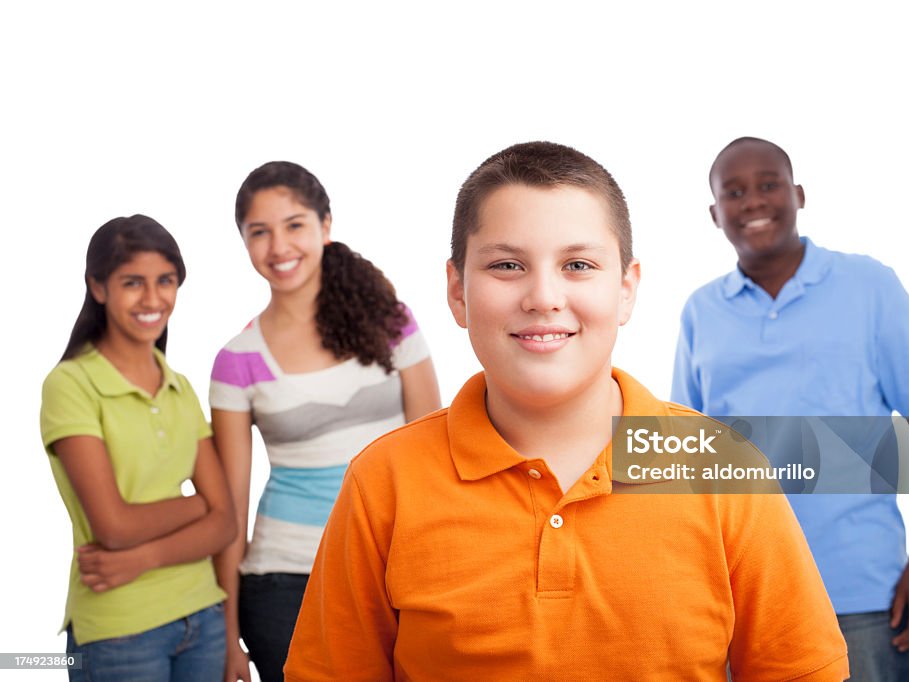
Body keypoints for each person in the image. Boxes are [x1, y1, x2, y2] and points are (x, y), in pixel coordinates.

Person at [284, 141, 850, 680]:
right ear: (457, 292)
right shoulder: (383, 483)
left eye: (578, 265)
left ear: (626, 290)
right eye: (506, 266)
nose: (543, 296)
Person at [672, 136, 909, 681]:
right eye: (734, 191)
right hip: (742, 594)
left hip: (862, 590)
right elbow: (688, 458)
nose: (753, 201)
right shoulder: (701, 312)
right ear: (714, 213)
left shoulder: (869, 286)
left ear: (798, 194)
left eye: (769, 184)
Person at [210, 161, 441, 682]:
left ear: (325, 226)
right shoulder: (236, 360)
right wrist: (228, 639)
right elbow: (231, 508)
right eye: (259, 232)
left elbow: (433, 445)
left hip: (392, 566)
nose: (279, 246)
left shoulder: (391, 321)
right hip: (284, 580)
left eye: (294, 225)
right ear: (244, 242)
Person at [40, 215, 236, 681]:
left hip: (203, 617)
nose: (153, 299)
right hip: (119, 628)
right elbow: (113, 527)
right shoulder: (70, 385)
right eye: (133, 283)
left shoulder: (179, 386)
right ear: (99, 287)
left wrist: (140, 558)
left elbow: (226, 522)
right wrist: (197, 505)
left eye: (165, 281)